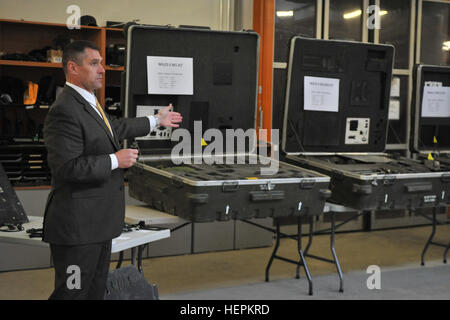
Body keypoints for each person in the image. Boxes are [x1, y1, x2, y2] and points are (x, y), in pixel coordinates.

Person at [42, 40, 182, 299]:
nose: (102, 69)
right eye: (94, 63)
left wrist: (155, 120)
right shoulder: (64, 110)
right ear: (73, 67)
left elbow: (114, 128)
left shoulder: (89, 102)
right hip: (78, 229)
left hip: (97, 224)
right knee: (72, 293)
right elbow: (66, 168)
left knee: (94, 292)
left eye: (102, 63)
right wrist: (115, 160)